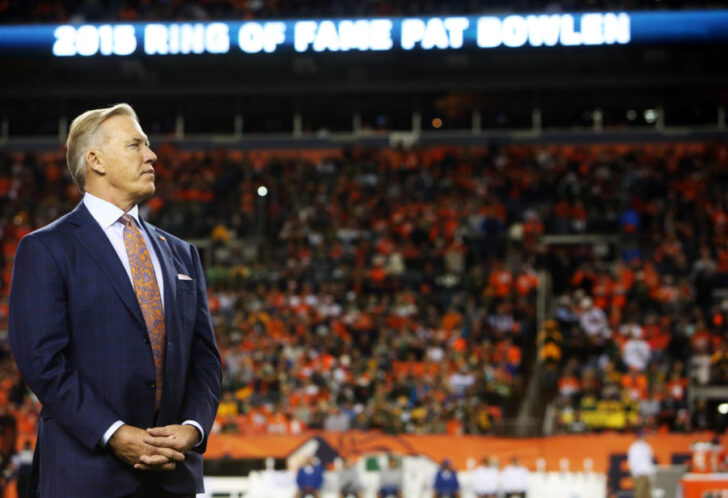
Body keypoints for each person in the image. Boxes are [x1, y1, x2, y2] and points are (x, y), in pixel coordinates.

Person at [9, 104, 222, 498]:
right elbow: (42, 361)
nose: (152, 154)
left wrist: (193, 428)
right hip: (85, 476)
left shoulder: (182, 253)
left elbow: (205, 359)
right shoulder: (46, 248)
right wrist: (113, 432)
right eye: (135, 144)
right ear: (96, 160)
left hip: (172, 478)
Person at [627, 429, 655, 498]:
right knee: (639, 494)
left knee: (648, 495)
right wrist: (634, 474)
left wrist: (651, 473)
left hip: (648, 474)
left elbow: (650, 461)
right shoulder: (634, 447)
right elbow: (631, 462)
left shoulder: (647, 447)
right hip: (639, 475)